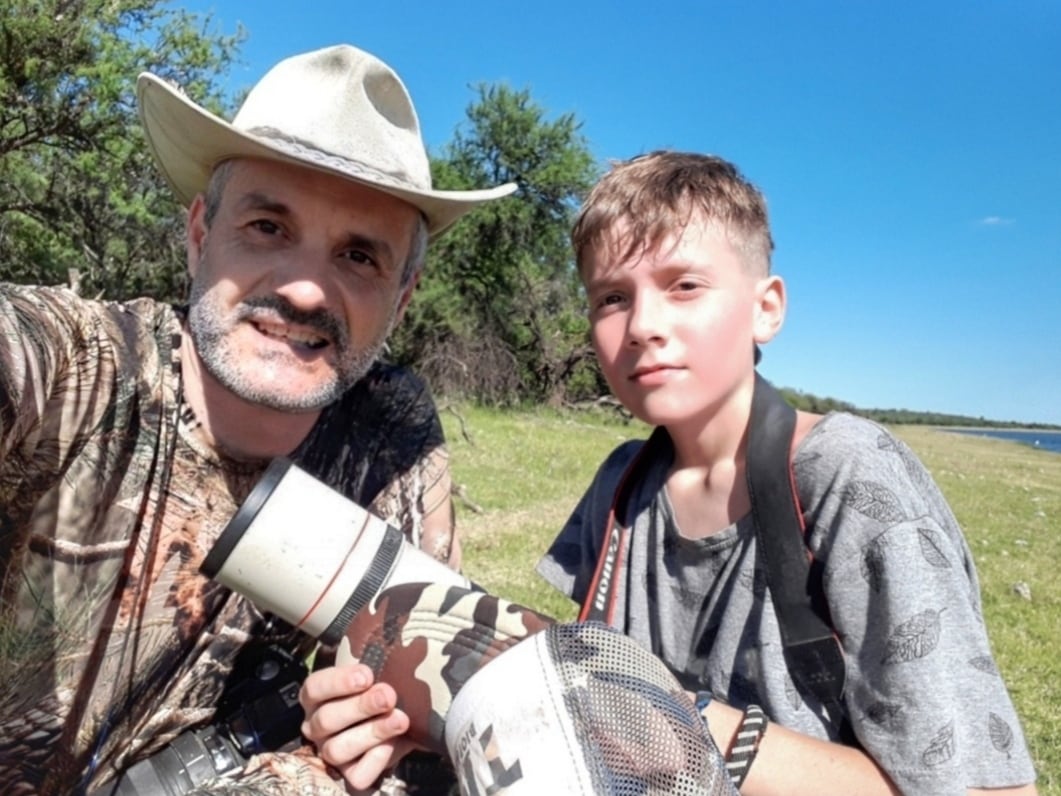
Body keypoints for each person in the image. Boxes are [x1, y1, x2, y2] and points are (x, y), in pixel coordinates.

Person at [0, 43, 514, 795]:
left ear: (401, 299)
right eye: (269, 227)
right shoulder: (84, 361)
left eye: (359, 256)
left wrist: (356, 735)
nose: (306, 290)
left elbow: (441, 671)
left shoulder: (388, 431)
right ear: (201, 233)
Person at [534, 151, 1039, 795]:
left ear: (766, 308)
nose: (643, 326)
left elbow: (989, 789)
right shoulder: (621, 486)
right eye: (611, 297)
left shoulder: (847, 476)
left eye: (684, 285)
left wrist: (698, 732)